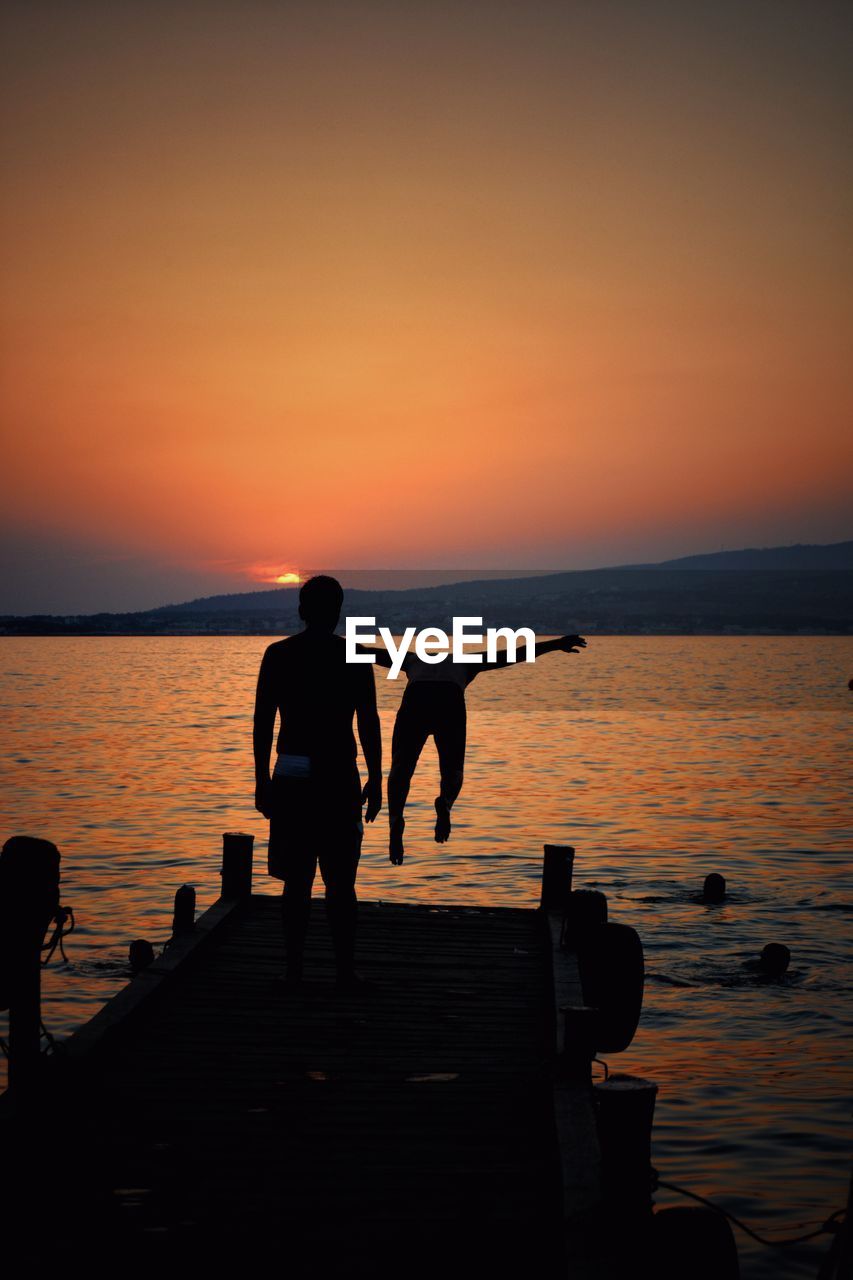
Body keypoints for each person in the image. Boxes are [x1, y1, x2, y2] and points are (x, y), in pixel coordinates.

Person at [253, 575, 382, 989]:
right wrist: (377, 779)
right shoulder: (354, 656)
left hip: (291, 770)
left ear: (302, 610)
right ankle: (344, 970)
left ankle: (293, 970)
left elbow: (262, 723)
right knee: (341, 881)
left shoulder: (278, 654)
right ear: (339, 611)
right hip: (337, 772)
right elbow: (369, 723)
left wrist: (261, 780)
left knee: (297, 880)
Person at [361, 633, 586, 863]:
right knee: (453, 769)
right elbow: (515, 654)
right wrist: (558, 644)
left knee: (401, 767)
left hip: (417, 698)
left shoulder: (412, 660)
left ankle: (396, 820)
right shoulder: (466, 662)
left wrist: (334, 642)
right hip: (451, 698)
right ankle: (445, 803)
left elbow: (368, 652)